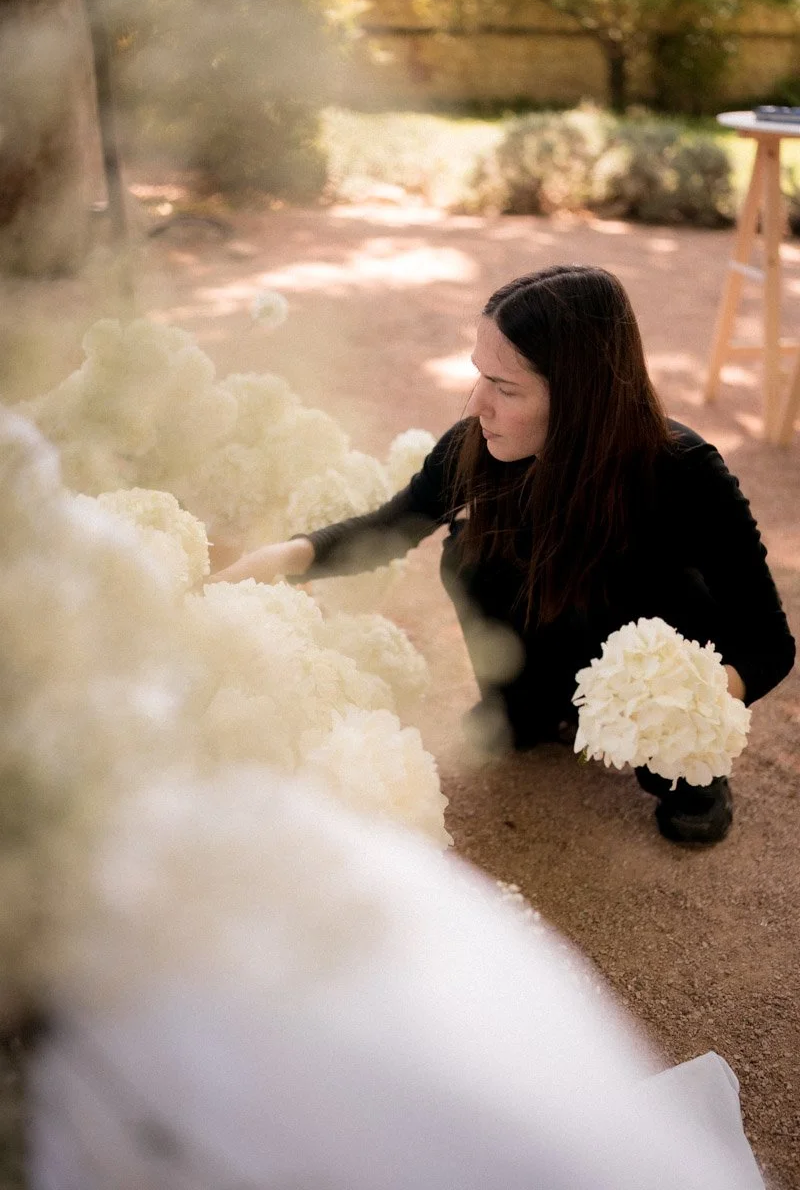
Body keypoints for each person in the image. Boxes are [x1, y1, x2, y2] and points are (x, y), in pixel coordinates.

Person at [210, 265, 796, 845]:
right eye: (481, 376)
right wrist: (278, 561)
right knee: (467, 552)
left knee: (672, 601)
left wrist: (686, 705)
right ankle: (529, 705)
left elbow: (769, 643)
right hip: (565, 631)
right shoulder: (478, 448)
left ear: (577, 399)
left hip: (647, 629)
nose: (479, 404)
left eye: (506, 388)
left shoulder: (686, 470)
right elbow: (390, 527)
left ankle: (692, 774)